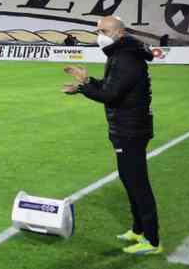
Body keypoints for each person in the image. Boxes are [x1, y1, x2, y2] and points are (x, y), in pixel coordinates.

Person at [62, 16, 162, 255]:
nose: (100, 35)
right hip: (128, 127)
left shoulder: (125, 57)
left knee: (137, 184)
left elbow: (110, 95)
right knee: (129, 180)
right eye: (98, 30)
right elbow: (111, 86)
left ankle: (152, 241)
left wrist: (86, 85)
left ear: (120, 33)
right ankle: (138, 230)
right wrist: (85, 84)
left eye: (104, 30)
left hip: (131, 130)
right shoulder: (122, 53)